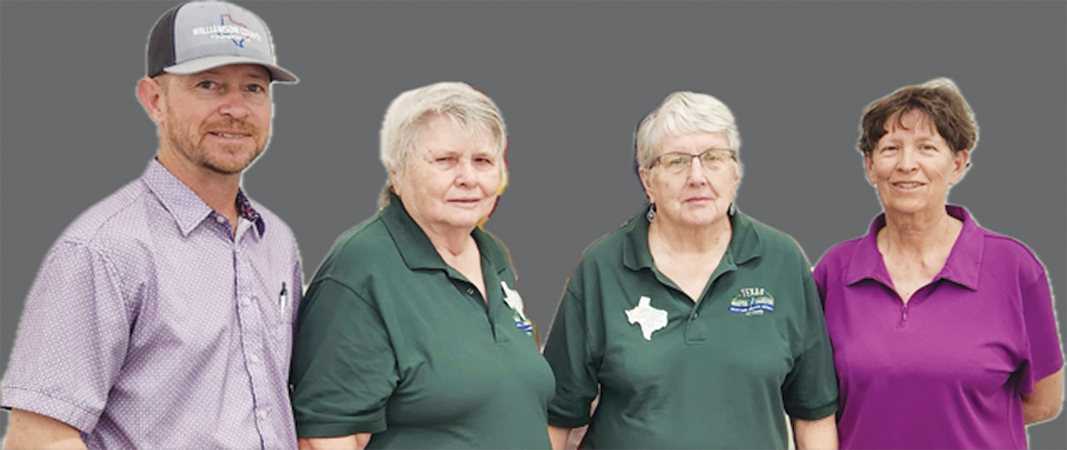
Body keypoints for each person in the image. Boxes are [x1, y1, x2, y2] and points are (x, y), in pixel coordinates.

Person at [0, 2, 301, 448]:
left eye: (254, 87)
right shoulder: (102, 250)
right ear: (155, 100)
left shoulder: (274, 240)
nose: (236, 108)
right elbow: (39, 439)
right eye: (208, 85)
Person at [542, 91, 839, 449]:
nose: (697, 176)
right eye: (677, 161)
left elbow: (813, 414)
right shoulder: (602, 267)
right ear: (647, 181)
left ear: (735, 172)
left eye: (714, 158)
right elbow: (556, 418)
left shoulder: (781, 261)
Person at [289, 82, 554, 449]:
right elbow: (326, 436)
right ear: (396, 173)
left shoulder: (491, 254)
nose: (468, 177)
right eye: (445, 160)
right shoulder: (363, 266)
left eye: (482, 161)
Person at [813, 78, 1064, 449]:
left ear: (958, 164)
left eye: (926, 148)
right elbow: (810, 400)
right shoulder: (834, 271)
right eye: (890, 149)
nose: (907, 164)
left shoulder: (1014, 268)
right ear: (870, 166)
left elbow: (1045, 401)